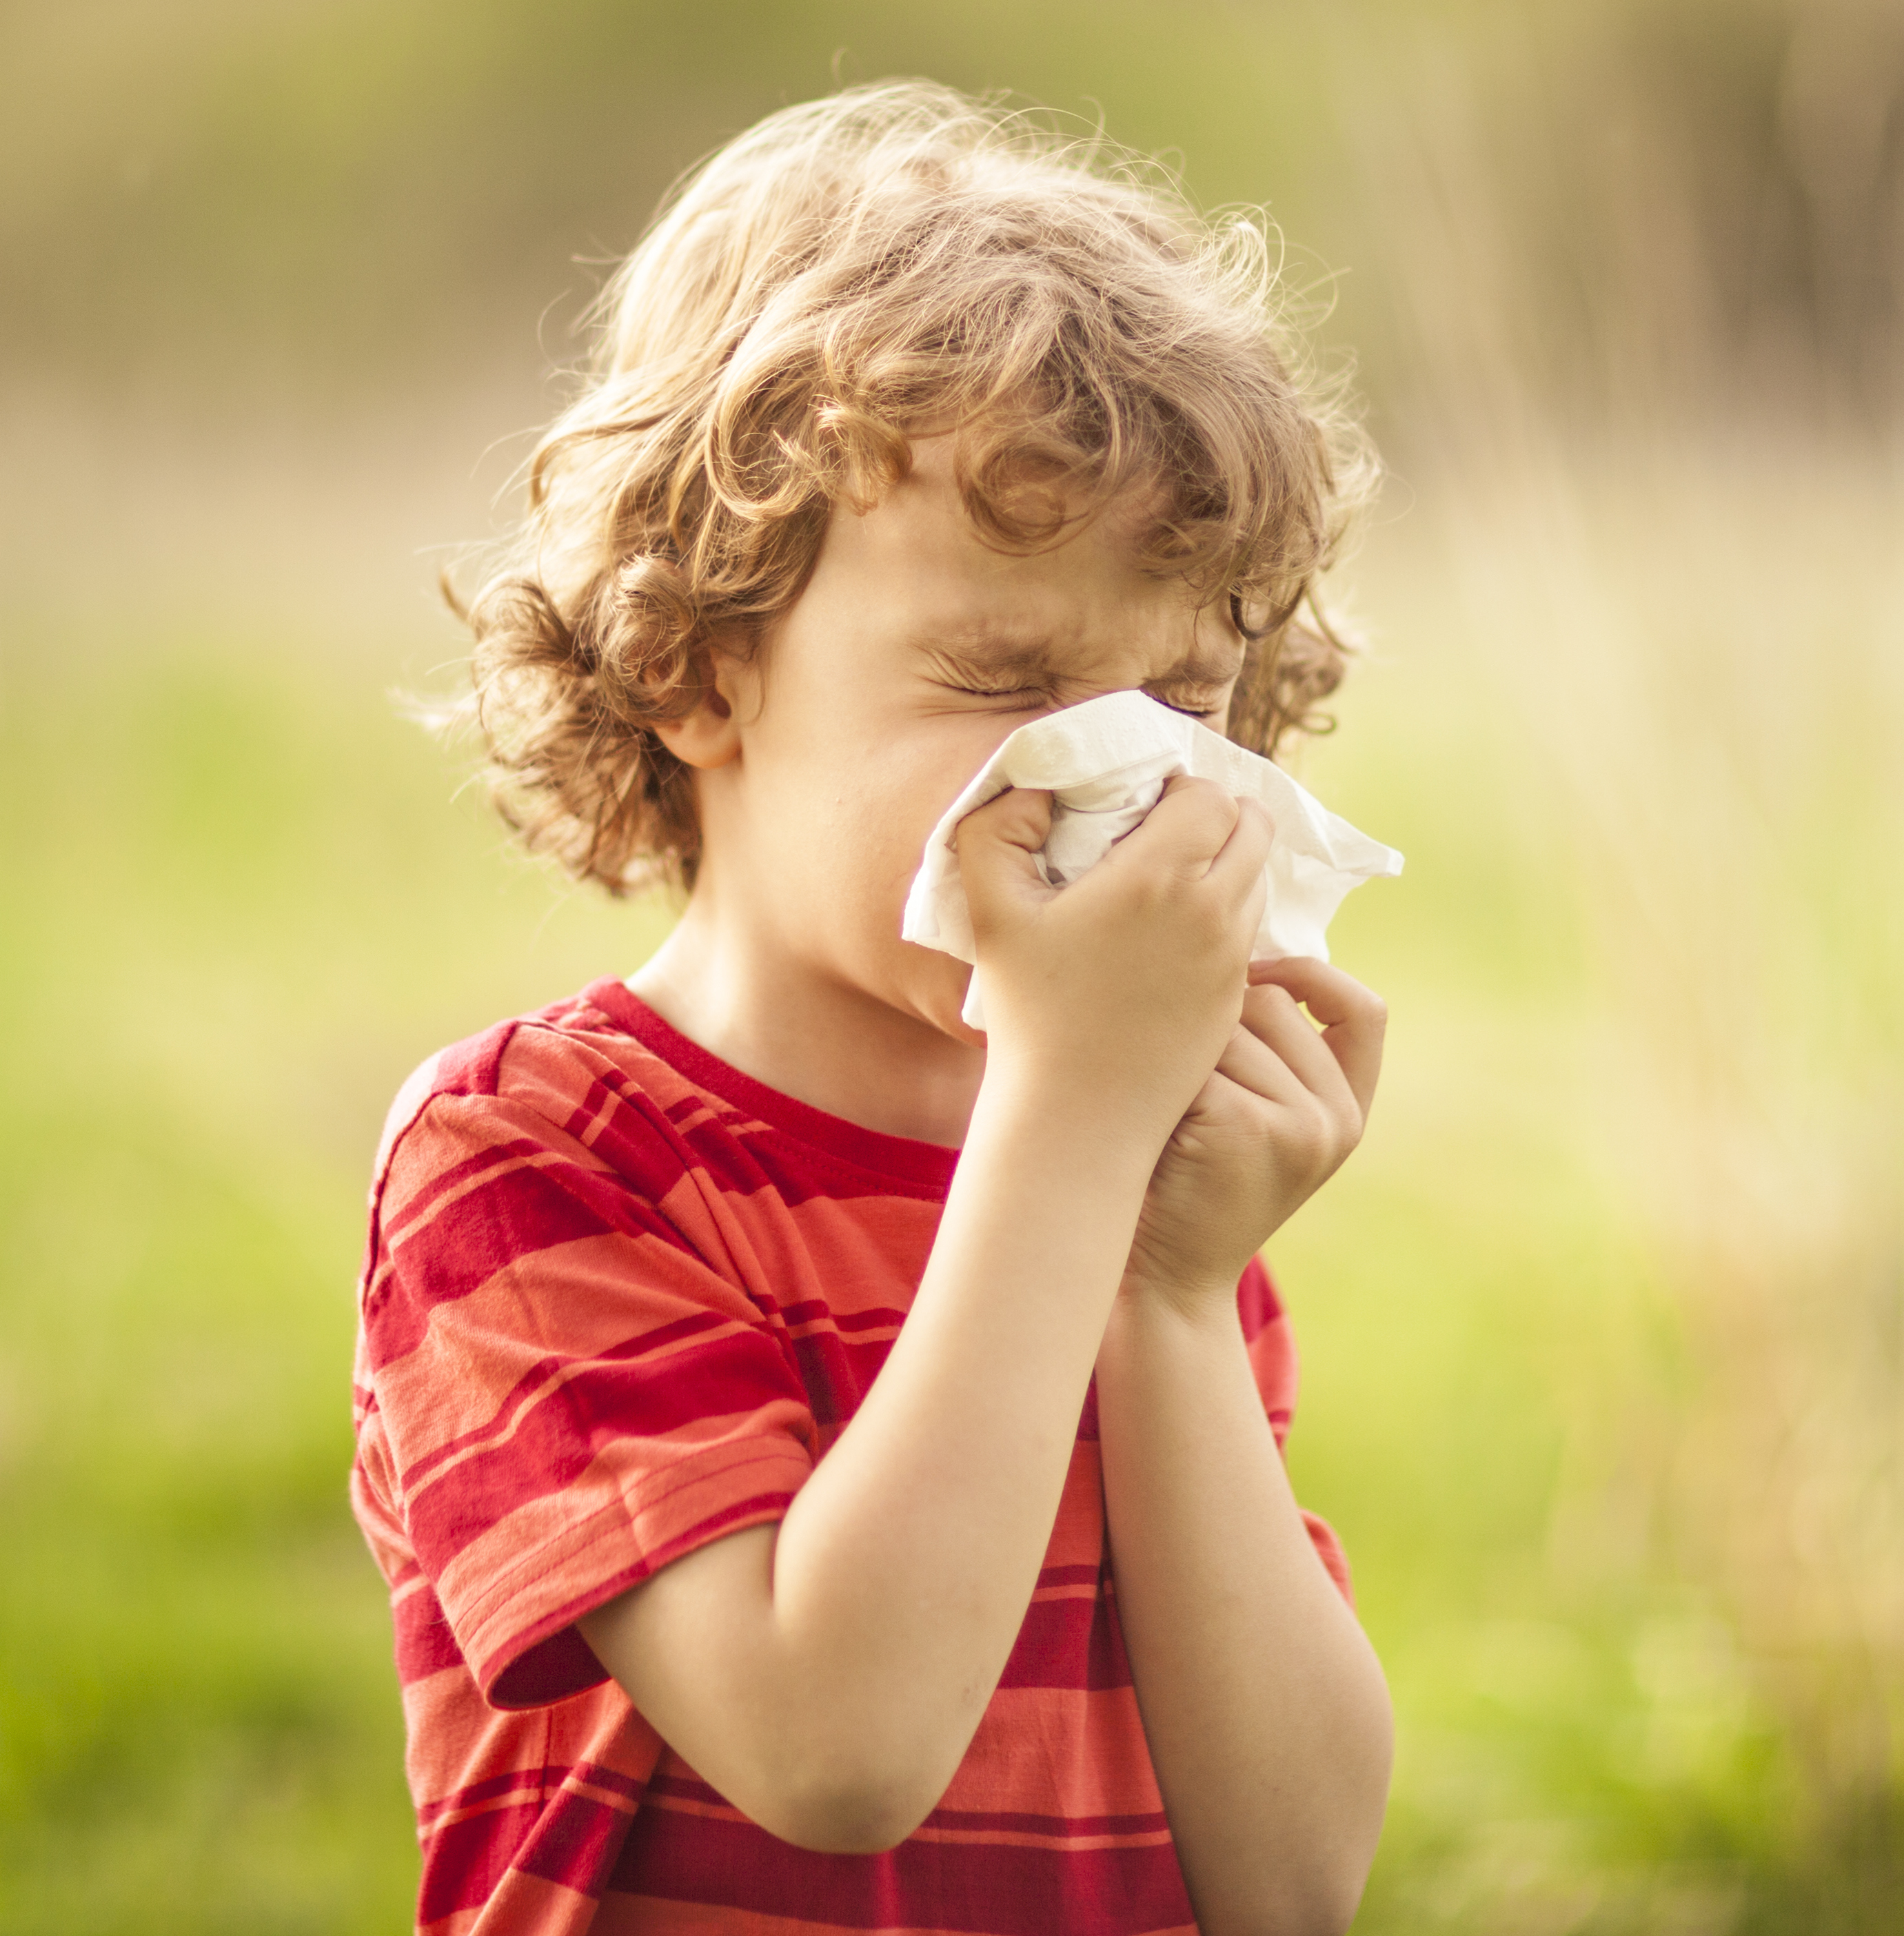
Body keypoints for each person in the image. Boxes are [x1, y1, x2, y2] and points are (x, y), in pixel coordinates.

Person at [350, 81, 1395, 1936]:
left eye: (1183, 697)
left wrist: (1167, 1293)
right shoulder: (528, 1161)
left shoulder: (1148, 1190)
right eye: (1007, 678)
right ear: (693, 666)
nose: (1115, 776)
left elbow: (1296, 1875)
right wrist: (1075, 1120)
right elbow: (834, 1743)